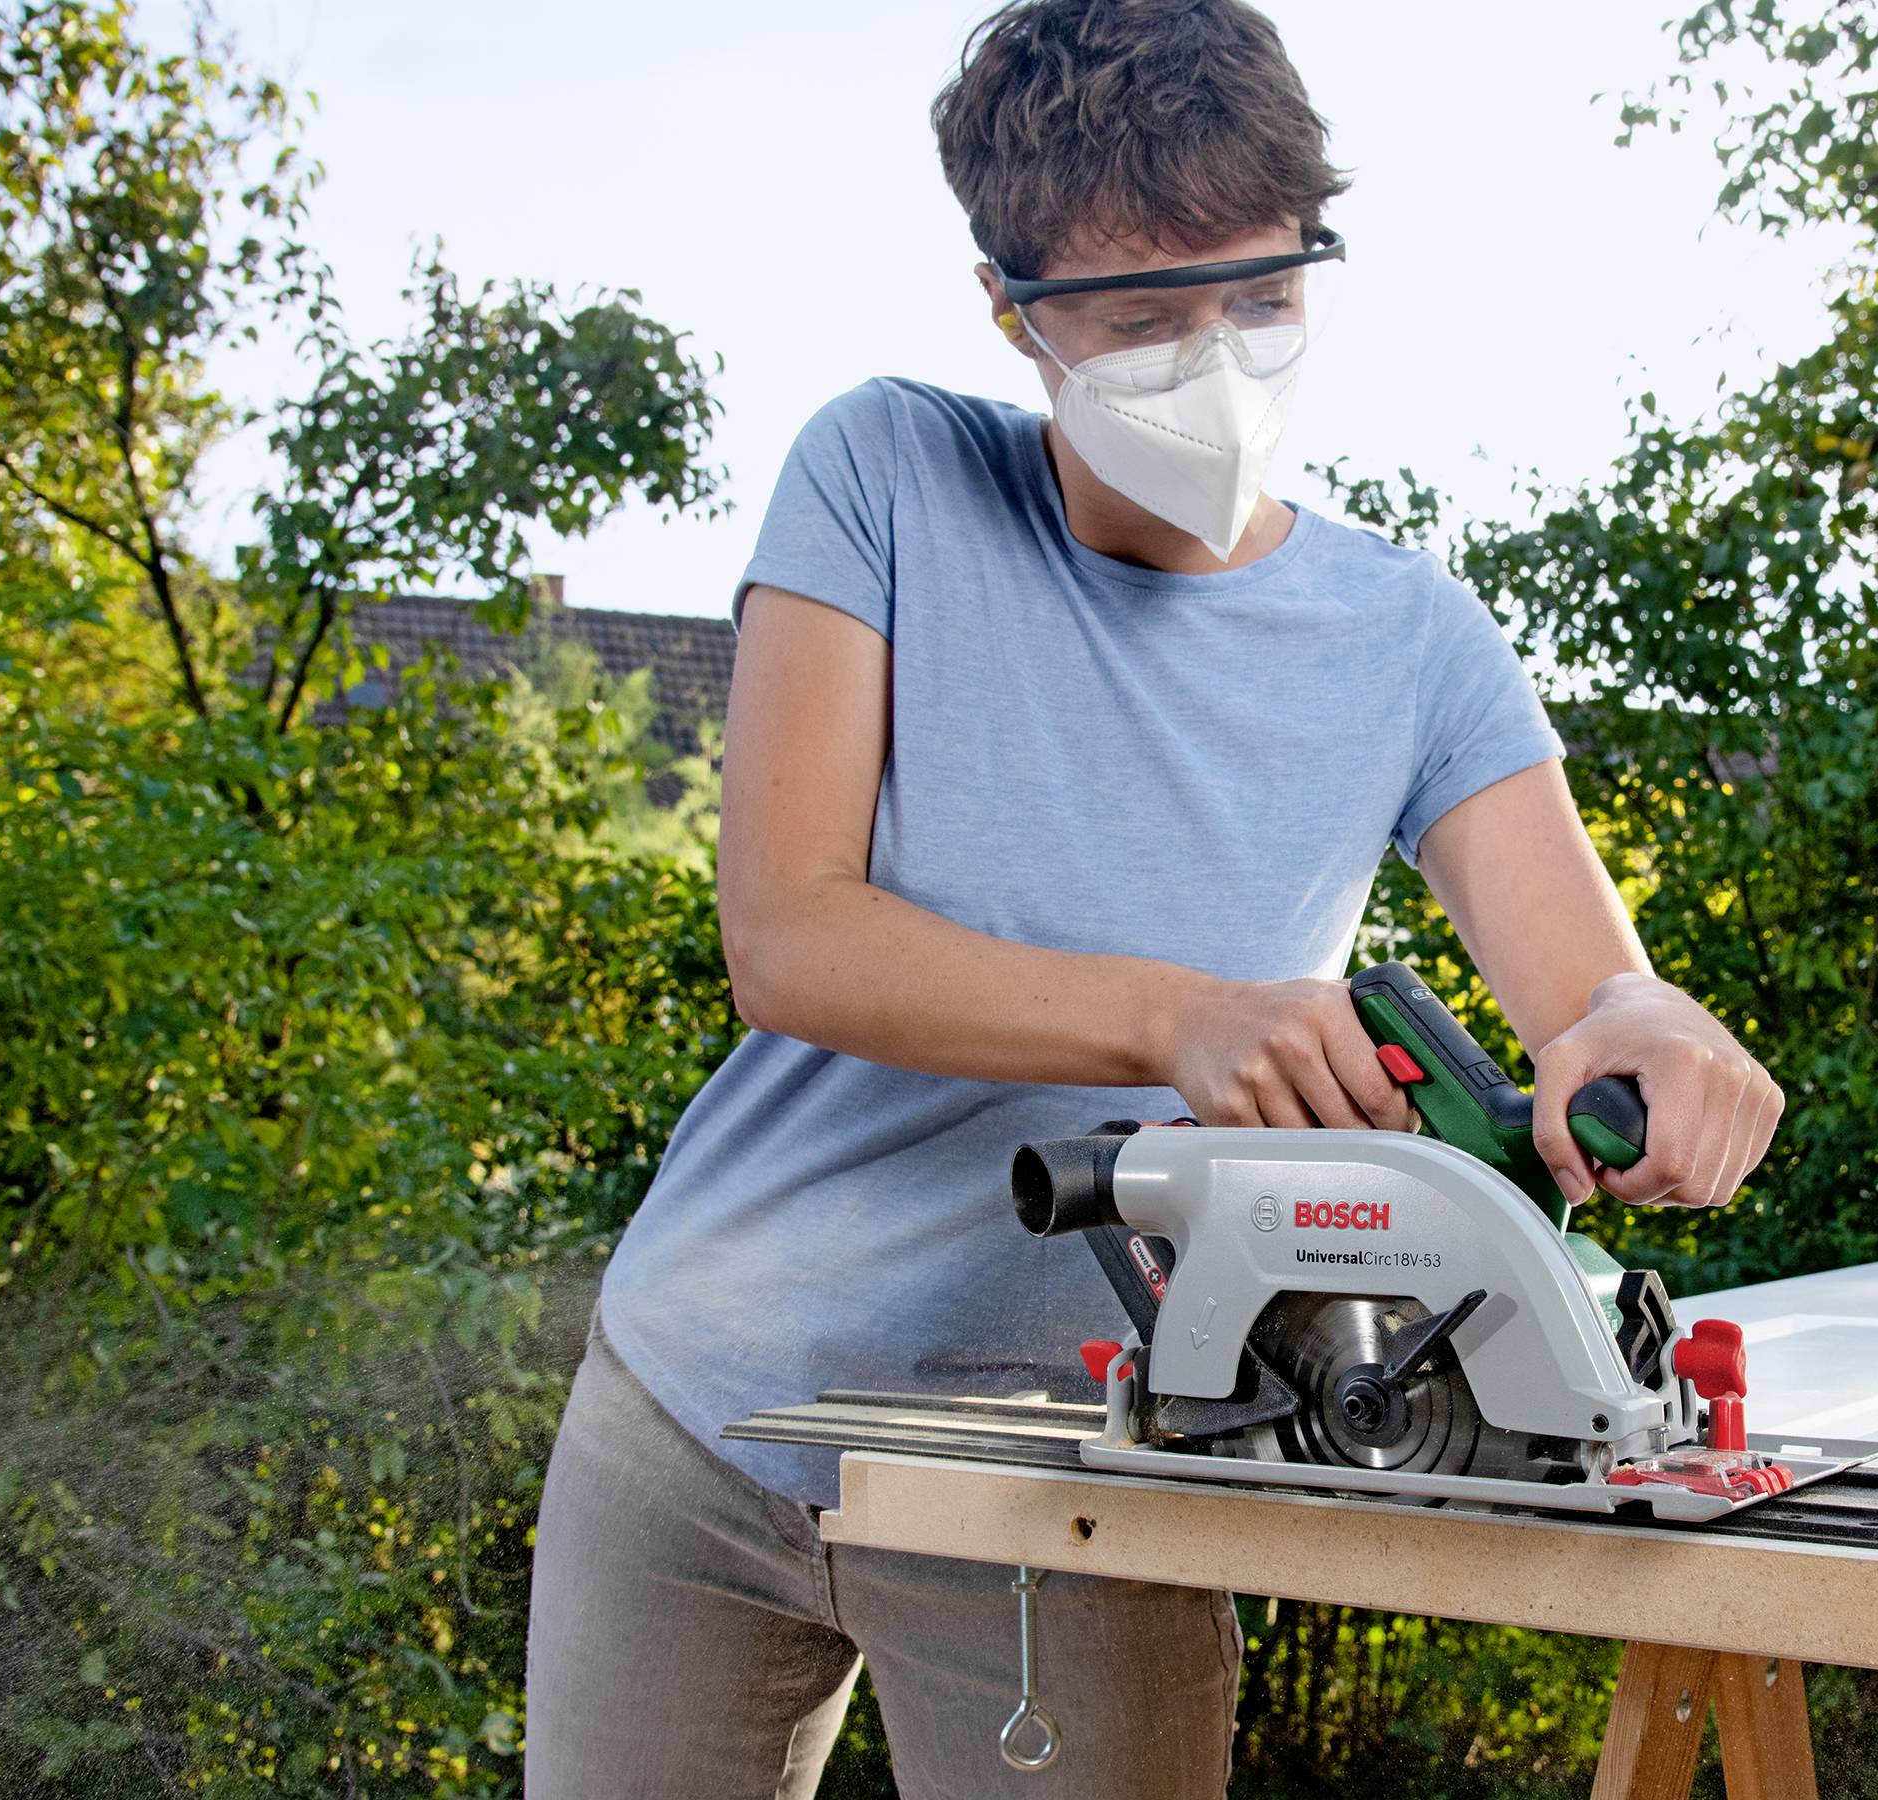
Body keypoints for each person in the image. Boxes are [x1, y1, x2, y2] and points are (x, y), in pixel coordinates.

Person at [521, 1, 1785, 1793]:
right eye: (1139, 317)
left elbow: (1594, 998)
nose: (1213, 357)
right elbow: (787, 937)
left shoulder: (1414, 639)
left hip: (1102, 1452)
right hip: (706, 1401)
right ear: (1012, 309)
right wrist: (1176, 1014)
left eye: (1259, 296)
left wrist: (1649, 1038)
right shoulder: (886, 475)